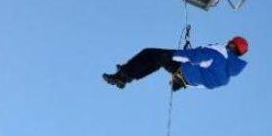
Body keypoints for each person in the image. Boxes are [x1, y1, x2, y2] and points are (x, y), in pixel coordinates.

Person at [102, 36, 249, 92]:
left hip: (183, 69)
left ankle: (123, 76)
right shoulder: (226, 78)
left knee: (150, 54)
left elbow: (197, 56)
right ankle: (126, 76)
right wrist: (181, 82)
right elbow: (205, 84)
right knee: (157, 60)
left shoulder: (220, 52)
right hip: (185, 78)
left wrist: (176, 55)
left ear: (231, 44)